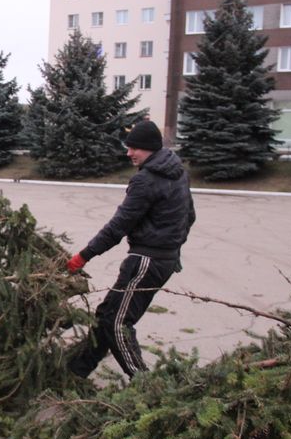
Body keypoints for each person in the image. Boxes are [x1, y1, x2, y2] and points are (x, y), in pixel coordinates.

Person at [66, 120, 195, 379]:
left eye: (134, 148)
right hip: (161, 259)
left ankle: (145, 386)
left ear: (149, 148)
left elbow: (118, 226)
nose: (129, 153)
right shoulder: (177, 170)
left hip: (146, 261)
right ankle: (75, 373)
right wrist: (174, 250)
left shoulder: (146, 180)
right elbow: (189, 216)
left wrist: (83, 256)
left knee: (117, 323)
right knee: (107, 315)